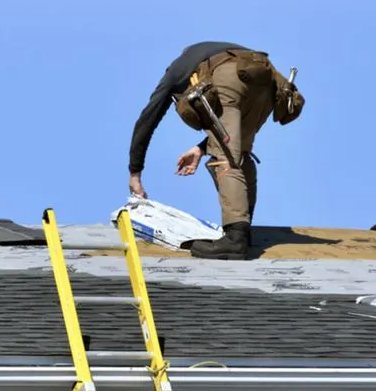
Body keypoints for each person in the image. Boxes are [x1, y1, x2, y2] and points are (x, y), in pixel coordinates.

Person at [127, 41, 303, 260]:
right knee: (240, 152)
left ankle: (235, 239)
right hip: (269, 79)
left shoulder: (175, 72)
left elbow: (148, 119)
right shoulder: (210, 52)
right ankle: (243, 231)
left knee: (225, 158)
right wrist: (201, 149)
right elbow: (231, 134)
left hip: (230, 76)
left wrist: (135, 173)